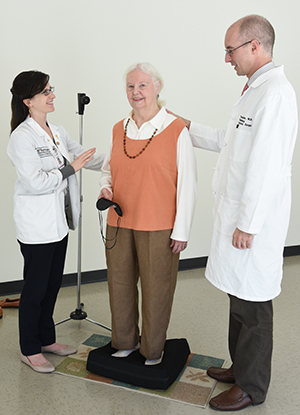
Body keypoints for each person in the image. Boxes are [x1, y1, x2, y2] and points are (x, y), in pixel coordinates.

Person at [169, 15, 298, 411]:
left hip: (252, 224)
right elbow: (231, 141)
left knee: (254, 304)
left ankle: (252, 387)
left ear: (255, 46)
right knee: (237, 296)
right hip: (238, 218)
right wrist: (185, 126)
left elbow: (268, 167)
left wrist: (249, 223)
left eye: (231, 50)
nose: (227, 58)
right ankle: (239, 367)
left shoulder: (275, 94)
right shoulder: (253, 92)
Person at [99, 62, 197, 365]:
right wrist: (105, 188)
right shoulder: (119, 128)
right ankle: (125, 341)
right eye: (130, 86)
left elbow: (187, 185)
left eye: (142, 85)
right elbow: (108, 171)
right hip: (119, 221)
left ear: (157, 87)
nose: (136, 92)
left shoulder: (175, 129)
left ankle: (153, 350)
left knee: (157, 290)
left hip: (158, 225)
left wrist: (181, 231)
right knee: (120, 284)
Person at [7, 70, 104, 373]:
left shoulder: (57, 130)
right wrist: (70, 169)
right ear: (28, 100)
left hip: (58, 222)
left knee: (51, 286)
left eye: (51, 89)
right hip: (36, 226)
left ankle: (47, 339)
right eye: (45, 91)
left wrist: (125, 159)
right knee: (35, 289)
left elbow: (82, 156)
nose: (52, 95)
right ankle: (29, 348)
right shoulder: (21, 138)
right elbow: (36, 181)